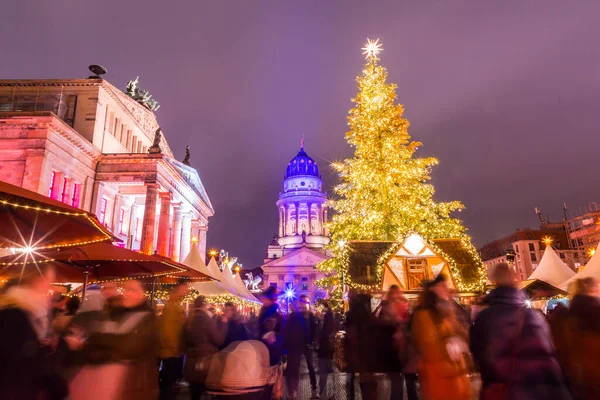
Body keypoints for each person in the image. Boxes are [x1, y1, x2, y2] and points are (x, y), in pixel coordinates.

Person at [470, 263, 571, 400]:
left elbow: (479, 359)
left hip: (504, 390)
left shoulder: (484, 319)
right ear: (514, 278)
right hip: (537, 390)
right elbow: (550, 358)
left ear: (494, 282)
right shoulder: (534, 316)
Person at [68, 280, 158, 400]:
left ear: (143, 294)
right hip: (106, 380)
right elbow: (97, 332)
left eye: (132, 290)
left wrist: (90, 347)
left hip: (132, 382)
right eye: (125, 289)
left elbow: (128, 348)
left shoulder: (147, 317)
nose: (126, 293)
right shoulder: (117, 312)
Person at [0, 264, 68, 400]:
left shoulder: (33, 310)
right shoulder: (14, 312)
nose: (50, 287)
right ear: (38, 281)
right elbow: (21, 360)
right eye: (49, 281)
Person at [412, 274, 471, 400]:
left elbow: (463, 336)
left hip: (457, 381)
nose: (447, 289)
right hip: (440, 382)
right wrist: (450, 345)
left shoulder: (448, 312)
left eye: (446, 285)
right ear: (432, 290)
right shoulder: (423, 314)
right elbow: (430, 350)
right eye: (442, 286)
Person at [552, 277, 600, 399]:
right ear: (591, 290)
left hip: (576, 382)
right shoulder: (595, 311)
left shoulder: (566, 316)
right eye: (597, 288)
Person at [184, 295, 227, 400]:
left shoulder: (189, 319)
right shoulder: (207, 320)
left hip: (191, 361)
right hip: (205, 361)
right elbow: (219, 340)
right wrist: (224, 324)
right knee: (208, 391)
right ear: (205, 305)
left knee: (194, 393)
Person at [283, 295, 318, 400]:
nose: (304, 304)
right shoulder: (294, 315)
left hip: (306, 344)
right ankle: (294, 392)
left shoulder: (309, 315)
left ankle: (314, 389)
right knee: (295, 368)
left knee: (310, 367)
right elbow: (288, 330)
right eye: (303, 302)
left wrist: (312, 341)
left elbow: (314, 329)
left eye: (305, 302)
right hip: (296, 345)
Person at [345, 293, 379, 400]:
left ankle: (354, 396)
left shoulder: (351, 315)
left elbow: (350, 334)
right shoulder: (369, 317)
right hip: (366, 351)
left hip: (358, 351)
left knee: (359, 378)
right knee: (368, 379)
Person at [158, 284, 189, 400]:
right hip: (172, 351)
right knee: (169, 382)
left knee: (170, 381)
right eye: (183, 289)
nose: (186, 291)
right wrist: (176, 349)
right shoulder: (172, 307)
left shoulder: (175, 306)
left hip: (174, 350)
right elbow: (168, 331)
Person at [379, 285, 408, 400]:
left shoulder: (400, 306)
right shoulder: (387, 308)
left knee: (398, 379)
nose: (397, 296)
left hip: (400, 347)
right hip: (392, 348)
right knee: (396, 378)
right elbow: (384, 327)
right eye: (395, 293)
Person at [258, 286, 284, 400]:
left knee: (270, 384)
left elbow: (280, 335)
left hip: (271, 352)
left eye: (264, 298)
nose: (262, 300)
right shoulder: (266, 312)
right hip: (263, 350)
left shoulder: (273, 314)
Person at [317, 301, 335, 400]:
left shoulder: (327, 316)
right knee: (326, 369)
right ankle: (327, 392)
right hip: (326, 347)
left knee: (324, 370)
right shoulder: (329, 316)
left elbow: (324, 331)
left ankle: (324, 393)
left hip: (325, 347)